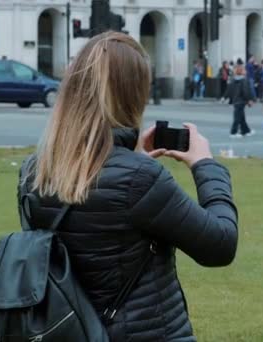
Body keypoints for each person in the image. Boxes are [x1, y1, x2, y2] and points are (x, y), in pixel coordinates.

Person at [17, 32, 238, 341]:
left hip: (68, 329)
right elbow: (220, 244)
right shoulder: (140, 179)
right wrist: (206, 165)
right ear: (132, 95)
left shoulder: (34, 170)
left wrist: (129, 158)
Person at [224, 64, 255, 138]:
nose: (246, 71)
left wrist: (226, 97)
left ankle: (246, 130)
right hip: (241, 100)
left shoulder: (233, 80)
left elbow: (229, 90)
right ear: (242, 72)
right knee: (237, 117)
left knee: (241, 117)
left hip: (236, 100)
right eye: (244, 70)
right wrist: (249, 100)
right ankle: (233, 132)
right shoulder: (244, 80)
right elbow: (246, 91)